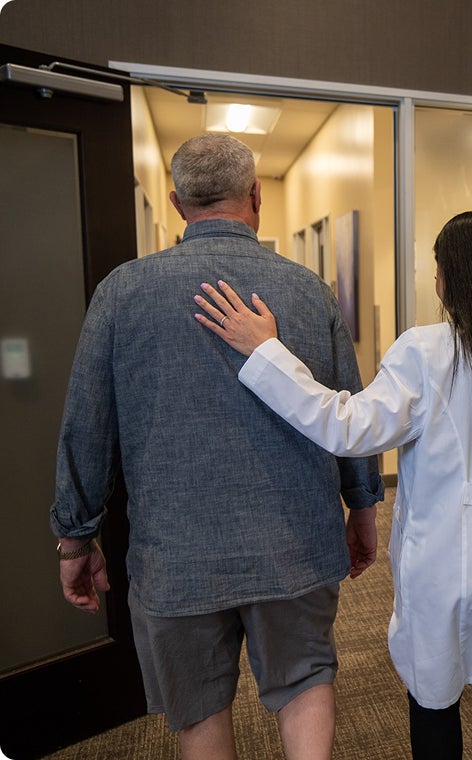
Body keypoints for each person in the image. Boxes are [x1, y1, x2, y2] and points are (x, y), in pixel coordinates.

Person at [193, 210, 472, 759]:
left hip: (447, 570)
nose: (435, 281)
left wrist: (266, 353)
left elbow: (346, 426)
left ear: (451, 280)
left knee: (434, 702)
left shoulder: (428, 352)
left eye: (438, 269)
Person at [50, 134, 384, 760]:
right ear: (256, 196)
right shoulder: (308, 290)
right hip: (295, 545)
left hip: (176, 557)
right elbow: (350, 408)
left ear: (177, 203)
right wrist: (362, 509)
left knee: (199, 707)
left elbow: (87, 427)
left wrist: (76, 538)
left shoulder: (121, 293)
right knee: (306, 678)